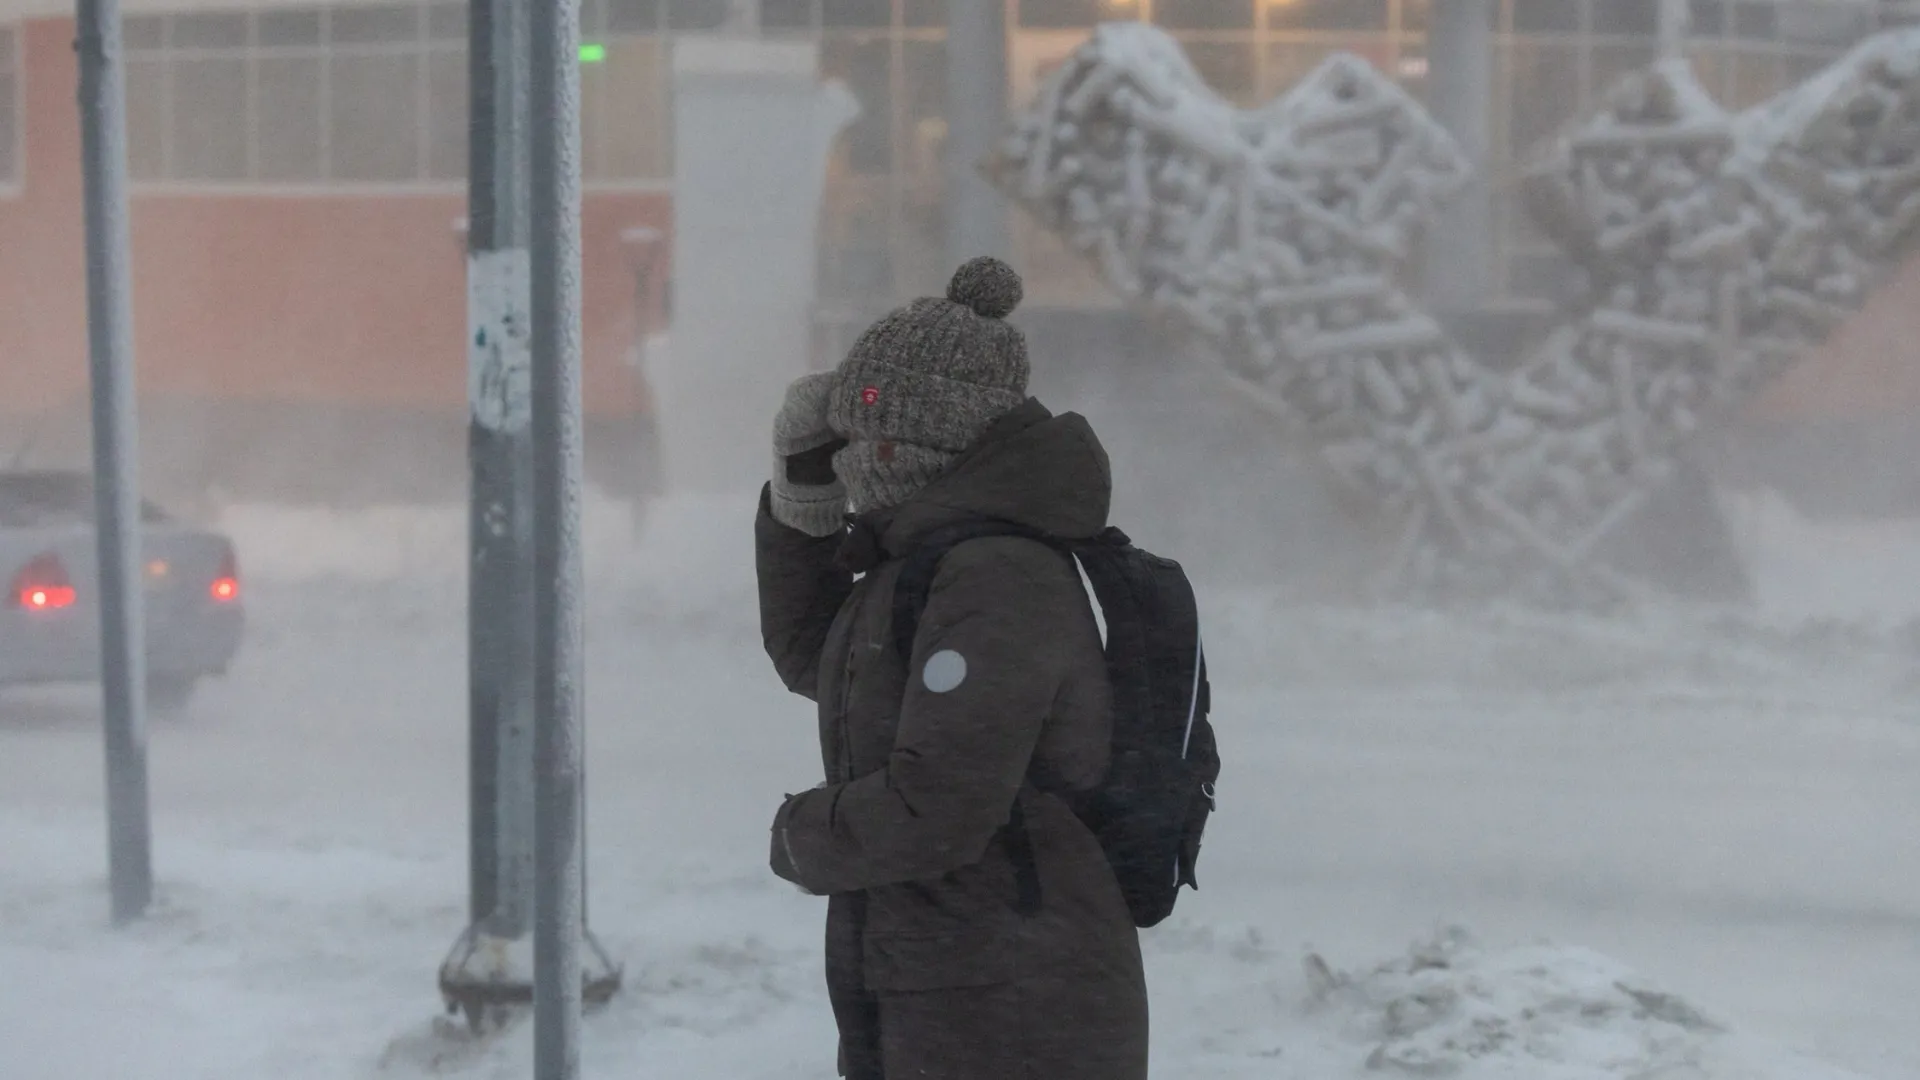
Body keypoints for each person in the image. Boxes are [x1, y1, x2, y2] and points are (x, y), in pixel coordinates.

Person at [755, 257, 1150, 1080]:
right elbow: (821, 661)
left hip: (1010, 997)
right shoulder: (931, 565)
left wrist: (801, 835)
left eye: (856, 435)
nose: (850, 459)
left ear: (909, 442)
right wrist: (802, 498)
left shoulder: (996, 575)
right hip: (952, 973)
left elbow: (938, 806)